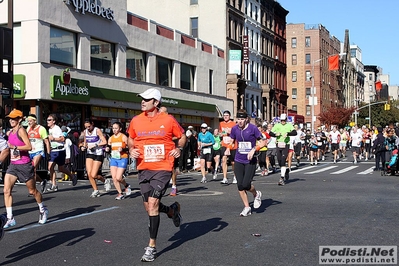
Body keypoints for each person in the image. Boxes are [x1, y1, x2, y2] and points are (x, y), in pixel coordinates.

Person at [127, 88, 185, 262]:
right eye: (142, 99)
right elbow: (130, 138)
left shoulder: (168, 120)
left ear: (156, 102)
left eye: (146, 99)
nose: (142, 101)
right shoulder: (136, 120)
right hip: (143, 167)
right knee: (149, 207)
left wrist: (178, 148)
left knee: (152, 204)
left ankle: (151, 246)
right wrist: (131, 149)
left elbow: (182, 136)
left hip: (162, 167)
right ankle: (171, 210)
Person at [2, 109, 48, 229]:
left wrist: (15, 147)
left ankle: (42, 209)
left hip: (24, 165)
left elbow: (29, 146)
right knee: (7, 191)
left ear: (20, 119)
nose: (11, 120)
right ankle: (10, 217)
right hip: (13, 165)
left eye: (14, 118)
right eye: (10, 119)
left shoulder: (21, 131)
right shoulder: (10, 132)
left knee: (32, 191)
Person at [228, 109, 268, 216]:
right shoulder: (234, 129)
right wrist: (228, 147)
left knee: (246, 184)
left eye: (242, 119)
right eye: (238, 119)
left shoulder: (252, 128)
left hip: (250, 160)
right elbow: (232, 141)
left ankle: (256, 194)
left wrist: (254, 149)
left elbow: (264, 141)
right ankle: (247, 207)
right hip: (238, 159)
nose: (239, 121)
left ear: (246, 119)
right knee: (240, 186)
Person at [47, 114, 77, 191]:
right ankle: (54, 185)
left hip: (59, 150)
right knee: (50, 167)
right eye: (47, 120)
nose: (48, 121)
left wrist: (53, 138)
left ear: (54, 121)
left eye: (49, 120)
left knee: (61, 169)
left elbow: (62, 139)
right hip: (53, 150)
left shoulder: (57, 129)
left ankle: (72, 176)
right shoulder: (50, 129)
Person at [81, 119, 110, 198]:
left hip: (98, 153)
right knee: (89, 174)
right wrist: (84, 147)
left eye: (89, 126)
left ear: (92, 124)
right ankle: (95, 190)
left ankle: (105, 180)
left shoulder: (97, 131)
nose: (88, 128)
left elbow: (104, 142)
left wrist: (96, 145)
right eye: (86, 127)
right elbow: (85, 142)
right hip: (90, 153)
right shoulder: (85, 132)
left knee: (94, 174)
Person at [106, 122, 131, 200]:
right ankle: (120, 193)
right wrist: (107, 149)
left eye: (116, 128)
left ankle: (126, 185)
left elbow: (129, 148)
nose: (114, 130)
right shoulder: (111, 138)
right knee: (114, 178)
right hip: (114, 158)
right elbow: (109, 147)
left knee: (118, 177)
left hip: (122, 158)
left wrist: (123, 149)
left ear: (120, 129)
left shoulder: (123, 137)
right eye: (113, 128)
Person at [269, 113, 296, 186]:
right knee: (280, 160)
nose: (283, 122)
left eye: (284, 120)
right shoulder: (277, 125)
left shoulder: (289, 125)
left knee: (283, 159)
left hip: (286, 144)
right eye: (281, 120)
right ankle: (286, 170)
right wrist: (275, 135)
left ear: (286, 120)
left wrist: (288, 133)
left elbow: (294, 132)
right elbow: (270, 133)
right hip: (278, 144)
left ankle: (281, 178)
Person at [26, 114, 50, 193]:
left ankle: (33, 189)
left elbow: (46, 141)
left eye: (30, 121)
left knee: (33, 168)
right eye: (28, 121)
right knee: (31, 171)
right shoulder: (28, 129)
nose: (29, 123)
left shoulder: (41, 128)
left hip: (39, 151)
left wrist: (48, 153)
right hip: (30, 151)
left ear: (35, 121)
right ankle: (42, 181)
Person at [219, 110, 237, 184]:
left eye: (227, 115)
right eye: (224, 115)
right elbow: (221, 132)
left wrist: (230, 132)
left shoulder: (233, 124)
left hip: (232, 145)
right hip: (224, 144)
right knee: (224, 160)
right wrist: (221, 134)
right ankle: (225, 178)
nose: (225, 117)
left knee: (233, 162)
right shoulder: (221, 123)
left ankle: (235, 177)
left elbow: (236, 133)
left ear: (229, 116)